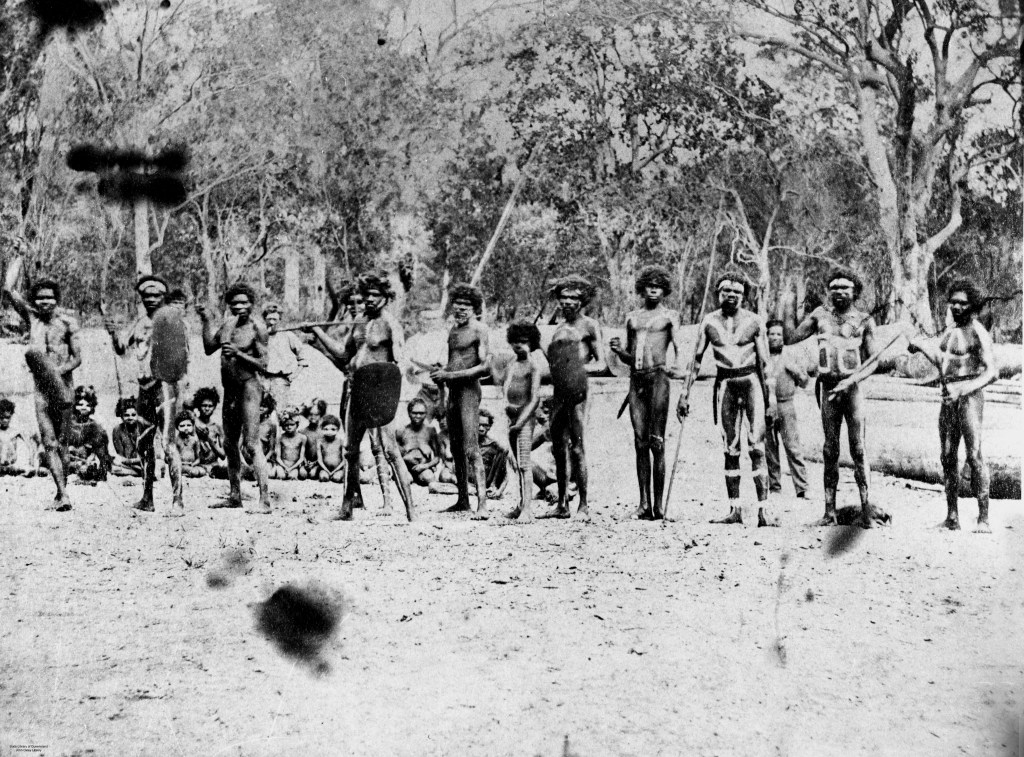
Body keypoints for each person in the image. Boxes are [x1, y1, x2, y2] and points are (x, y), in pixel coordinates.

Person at [306, 272, 416, 521]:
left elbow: (400, 362)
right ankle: (347, 509)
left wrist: (391, 394)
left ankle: (411, 512)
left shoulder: (391, 324)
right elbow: (344, 355)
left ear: (386, 298)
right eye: (366, 295)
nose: (369, 300)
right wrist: (318, 332)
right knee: (350, 449)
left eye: (375, 295)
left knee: (389, 449)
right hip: (356, 389)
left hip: (380, 389)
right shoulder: (357, 321)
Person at [787, 268, 885, 528]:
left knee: (859, 449)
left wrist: (851, 381)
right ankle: (829, 512)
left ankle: (866, 510)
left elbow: (874, 361)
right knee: (830, 450)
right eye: (835, 287)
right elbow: (791, 337)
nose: (839, 292)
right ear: (828, 291)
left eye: (845, 287)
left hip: (851, 391)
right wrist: (788, 303)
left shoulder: (864, 320)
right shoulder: (819, 315)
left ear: (855, 292)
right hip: (828, 389)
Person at [678, 270, 777, 527]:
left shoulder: (755, 321)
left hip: (751, 383)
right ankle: (735, 510)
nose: (731, 295)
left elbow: (766, 364)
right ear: (718, 293)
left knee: (757, 446)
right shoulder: (709, 322)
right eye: (726, 291)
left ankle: (763, 511)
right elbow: (695, 360)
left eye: (737, 292)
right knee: (730, 448)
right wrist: (684, 394)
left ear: (744, 295)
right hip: (726, 386)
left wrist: (772, 400)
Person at [908, 279, 998, 532]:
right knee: (948, 456)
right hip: (947, 398)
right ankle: (952, 517)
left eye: (963, 303)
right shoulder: (948, 331)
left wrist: (964, 389)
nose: (957, 307)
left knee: (974, 455)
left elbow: (993, 372)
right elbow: (942, 361)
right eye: (954, 302)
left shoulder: (978, 331)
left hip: (970, 398)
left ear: (973, 305)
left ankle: (983, 519)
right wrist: (920, 345)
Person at [105, 275, 186, 516]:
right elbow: (122, 350)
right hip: (144, 390)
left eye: (156, 296)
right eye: (146, 296)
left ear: (164, 297)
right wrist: (113, 333)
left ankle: (177, 501)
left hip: (164, 389)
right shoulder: (139, 323)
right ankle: (147, 498)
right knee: (144, 444)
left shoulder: (172, 321)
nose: (150, 299)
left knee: (168, 443)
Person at [609, 265, 685, 520]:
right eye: (649, 284)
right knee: (640, 442)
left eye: (658, 285)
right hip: (636, 382)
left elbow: (678, 348)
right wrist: (620, 352)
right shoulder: (631, 317)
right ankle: (643, 505)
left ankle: (659, 506)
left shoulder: (670, 316)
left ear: (664, 289)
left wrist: (680, 372)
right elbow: (632, 357)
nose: (653, 289)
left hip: (659, 381)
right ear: (642, 288)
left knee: (657, 442)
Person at [3, 275, 80, 510]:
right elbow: (8, 289)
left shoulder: (68, 323)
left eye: (49, 298)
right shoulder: (32, 319)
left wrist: (55, 372)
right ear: (34, 301)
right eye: (40, 298)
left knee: (63, 443)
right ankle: (63, 494)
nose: (45, 302)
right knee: (49, 443)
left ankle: (62, 493)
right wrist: (18, 255)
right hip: (41, 391)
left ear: (56, 300)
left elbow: (77, 358)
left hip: (63, 388)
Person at [197, 282, 272, 514]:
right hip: (229, 390)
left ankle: (265, 500)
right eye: (235, 303)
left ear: (251, 304)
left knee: (250, 444)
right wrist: (206, 320)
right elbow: (210, 347)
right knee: (229, 443)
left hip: (249, 388)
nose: (240, 306)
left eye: (244, 302)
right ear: (228, 305)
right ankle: (234, 495)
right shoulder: (227, 324)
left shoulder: (258, 328)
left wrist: (238, 354)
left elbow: (264, 364)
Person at [542, 275, 605, 521]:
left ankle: (584, 505)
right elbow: (554, 365)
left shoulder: (589, 326)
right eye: (564, 297)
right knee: (558, 447)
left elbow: (601, 364)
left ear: (583, 301)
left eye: (574, 298)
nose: (568, 302)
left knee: (577, 447)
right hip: (558, 392)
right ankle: (561, 504)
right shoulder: (557, 328)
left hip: (578, 390)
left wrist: (575, 369)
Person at [430, 284, 492, 519]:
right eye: (457, 306)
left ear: (475, 308)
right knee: (455, 447)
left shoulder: (480, 329)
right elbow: (453, 362)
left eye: (465, 307)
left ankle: (483, 505)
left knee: (471, 447)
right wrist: (441, 374)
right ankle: (462, 500)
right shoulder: (453, 331)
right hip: (452, 391)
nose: (461, 310)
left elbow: (485, 367)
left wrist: (450, 375)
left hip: (468, 391)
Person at [503, 321, 543, 521]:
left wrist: (521, 421)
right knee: (517, 463)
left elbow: (535, 398)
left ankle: (528, 509)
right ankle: (520, 504)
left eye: (524, 342)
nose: (519, 345)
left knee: (525, 463)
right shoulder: (512, 363)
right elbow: (507, 386)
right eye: (516, 341)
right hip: (511, 418)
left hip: (524, 419)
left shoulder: (534, 365)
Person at [764, 319, 809, 498]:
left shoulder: (791, 355)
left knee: (792, 446)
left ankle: (802, 488)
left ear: (784, 337)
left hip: (786, 404)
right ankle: (774, 487)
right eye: (771, 334)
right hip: (766, 407)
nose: (775, 338)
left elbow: (805, 382)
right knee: (769, 448)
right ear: (766, 336)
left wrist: (797, 372)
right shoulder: (762, 355)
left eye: (778, 334)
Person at [262, 302, 308, 411]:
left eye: (275, 319)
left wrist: (294, 375)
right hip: (262, 379)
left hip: (280, 380)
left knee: (279, 411)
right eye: (269, 319)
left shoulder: (287, 335)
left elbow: (303, 355)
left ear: (280, 320)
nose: (272, 322)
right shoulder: (261, 336)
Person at [396, 398, 453, 487]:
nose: (418, 416)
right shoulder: (401, 431)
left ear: (426, 414)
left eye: (421, 413)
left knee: (429, 478)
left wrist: (425, 466)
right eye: (414, 413)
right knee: (406, 479)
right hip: (405, 468)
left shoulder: (430, 431)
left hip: (423, 467)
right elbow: (395, 455)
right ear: (409, 413)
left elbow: (437, 457)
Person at [66, 385, 111, 483]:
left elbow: (100, 449)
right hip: (71, 457)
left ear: (92, 407)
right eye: (80, 404)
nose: (83, 408)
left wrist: (92, 456)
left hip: (89, 458)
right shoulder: (68, 425)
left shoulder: (95, 426)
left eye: (87, 405)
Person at [475, 408, 511, 499]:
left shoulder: (495, 446)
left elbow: (505, 474)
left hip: (488, 481)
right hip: (472, 482)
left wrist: (499, 491)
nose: (481, 428)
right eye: (478, 425)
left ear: (489, 426)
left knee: (503, 449)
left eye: (485, 425)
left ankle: (493, 487)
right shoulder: (468, 444)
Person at [111, 397, 151, 477]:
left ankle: (141, 472)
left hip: (143, 462)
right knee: (113, 466)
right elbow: (121, 455)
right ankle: (141, 473)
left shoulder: (144, 428)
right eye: (126, 415)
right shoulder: (117, 430)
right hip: (129, 464)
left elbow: (148, 455)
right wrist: (130, 462)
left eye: (133, 415)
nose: (130, 418)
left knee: (158, 464)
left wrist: (136, 461)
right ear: (121, 416)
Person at [191, 387, 225, 467]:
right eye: (204, 405)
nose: (207, 409)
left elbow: (223, 455)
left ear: (214, 407)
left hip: (213, 465)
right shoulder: (192, 423)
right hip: (196, 465)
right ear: (199, 406)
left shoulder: (217, 427)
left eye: (210, 406)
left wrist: (208, 439)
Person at [271, 409, 308, 480]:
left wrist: (291, 468)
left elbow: (301, 458)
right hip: (282, 464)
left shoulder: (302, 438)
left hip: (295, 465)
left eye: (292, 424)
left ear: (297, 425)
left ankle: (298, 470)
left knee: (293, 476)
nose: (289, 427)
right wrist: (284, 467)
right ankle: (275, 468)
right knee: (280, 476)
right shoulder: (280, 437)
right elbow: (278, 457)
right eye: (286, 425)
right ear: (283, 426)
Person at [0, 398, 30, 476]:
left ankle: (12, 469)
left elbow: (29, 444)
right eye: (1, 418)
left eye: (7, 417)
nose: (4, 420)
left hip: (11, 462)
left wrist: (32, 458)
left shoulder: (15, 431)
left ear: (11, 415)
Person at [174, 411, 208, 478]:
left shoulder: (194, 439)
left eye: (189, 425)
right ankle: (187, 473)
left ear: (193, 426)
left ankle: (190, 472)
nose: (186, 428)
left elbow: (198, 458)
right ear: (177, 427)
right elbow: (174, 458)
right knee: (194, 472)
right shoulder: (176, 440)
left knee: (202, 471)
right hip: (181, 465)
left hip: (192, 465)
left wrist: (193, 464)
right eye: (182, 426)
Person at [313, 415, 346, 483]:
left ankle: (338, 474)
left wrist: (335, 471)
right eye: (326, 429)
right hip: (325, 469)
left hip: (338, 469)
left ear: (338, 429)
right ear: (322, 429)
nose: (329, 432)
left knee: (336, 478)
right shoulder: (320, 442)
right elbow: (319, 460)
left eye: (333, 429)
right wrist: (327, 471)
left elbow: (344, 460)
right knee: (323, 477)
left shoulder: (340, 441)